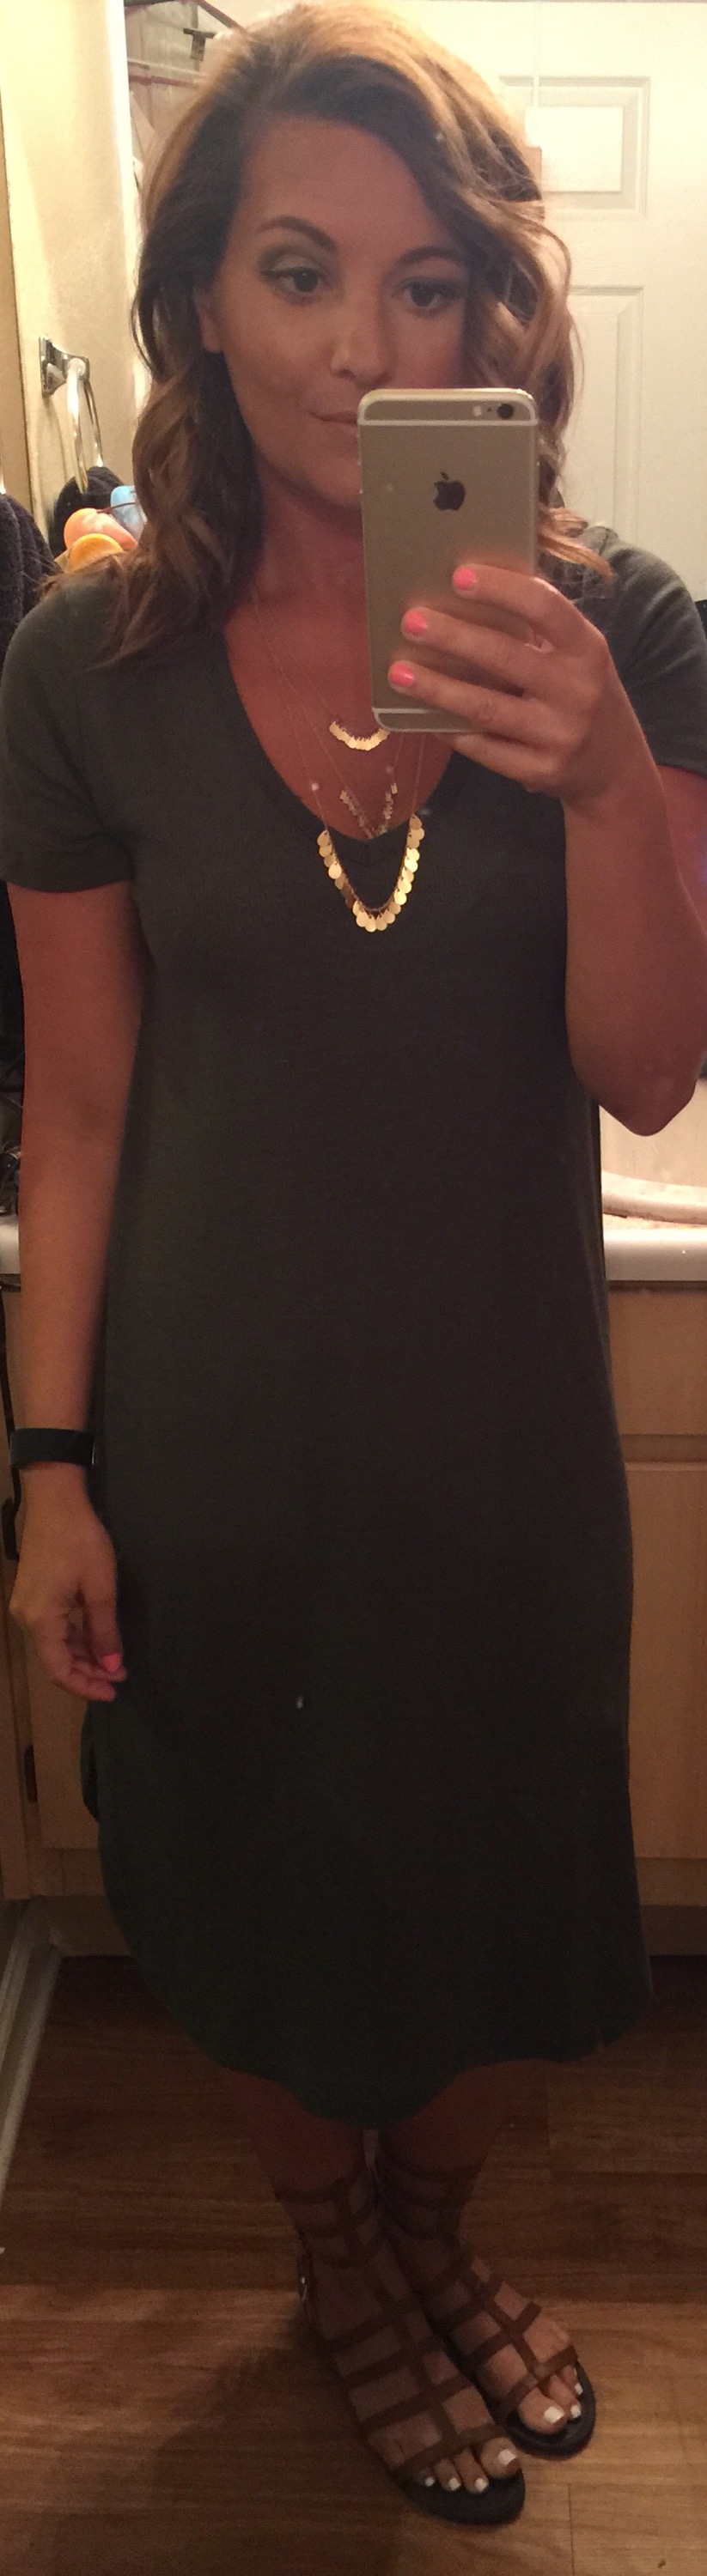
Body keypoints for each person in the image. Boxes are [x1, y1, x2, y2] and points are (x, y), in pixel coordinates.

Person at [2, 0, 707, 2533]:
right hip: (207, 1445)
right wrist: (52, 1467)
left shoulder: (628, 632)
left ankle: (435, 2230)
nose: (364, 345)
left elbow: (648, 1073)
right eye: (298, 272)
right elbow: (86, 1109)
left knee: (507, 1890)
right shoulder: (87, 670)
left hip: (500, 1444)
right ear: (199, 297)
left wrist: (606, 776)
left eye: (432, 284)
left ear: (501, 312)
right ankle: (341, 2262)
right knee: (260, 1897)